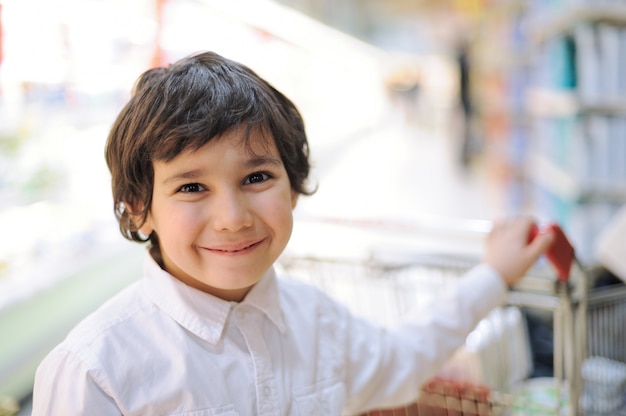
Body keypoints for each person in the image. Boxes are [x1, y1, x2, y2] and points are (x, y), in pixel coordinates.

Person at [32, 51, 554, 415]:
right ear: (139, 208)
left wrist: (493, 275)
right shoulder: (94, 371)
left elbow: (405, 357)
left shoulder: (316, 321)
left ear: (294, 187)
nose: (233, 217)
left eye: (256, 177)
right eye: (191, 187)